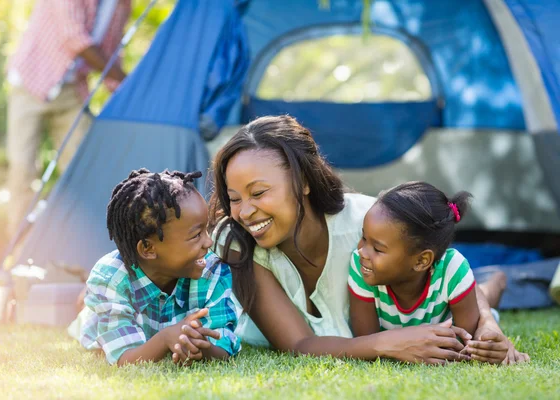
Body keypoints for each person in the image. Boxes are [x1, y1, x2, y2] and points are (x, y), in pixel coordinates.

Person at [209, 115, 529, 365]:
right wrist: (389, 344)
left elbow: (449, 269)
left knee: (477, 296)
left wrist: (488, 325)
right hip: (377, 328)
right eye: (234, 198)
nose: (244, 212)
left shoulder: (367, 224)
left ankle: (494, 284)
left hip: (419, 306)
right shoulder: (238, 244)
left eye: (259, 193)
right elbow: (298, 344)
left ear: (303, 180)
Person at [70, 168, 241, 366]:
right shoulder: (112, 278)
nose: (208, 243)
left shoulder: (211, 270)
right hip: (100, 324)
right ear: (148, 248)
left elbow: (225, 347)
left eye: (206, 230)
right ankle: (85, 302)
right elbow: (123, 359)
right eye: (196, 235)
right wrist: (166, 338)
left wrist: (200, 346)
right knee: (85, 317)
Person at [348, 182, 520, 364]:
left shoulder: (453, 268)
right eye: (364, 238)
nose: (362, 252)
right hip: (449, 299)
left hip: (450, 305)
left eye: (377, 248)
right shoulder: (362, 267)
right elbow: (366, 342)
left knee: (484, 299)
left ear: (421, 261)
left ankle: (497, 282)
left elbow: (466, 345)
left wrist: (489, 347)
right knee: (477, 295)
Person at [5, 0, 132, 236]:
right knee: (23, 168)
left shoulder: (123, 5)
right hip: (31, 82)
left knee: (82, 169)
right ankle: (18, 244)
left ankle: (73, 245)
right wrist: (125, 79)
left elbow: (113, 52)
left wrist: (126, 92)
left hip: (72, 91)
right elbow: (73, 37)